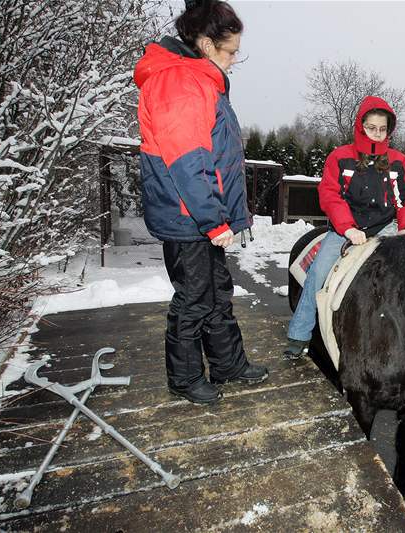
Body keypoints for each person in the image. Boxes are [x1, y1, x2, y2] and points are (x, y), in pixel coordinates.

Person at [134, 0, 267, 406]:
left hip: (203, 216)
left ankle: (227, 364)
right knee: (193, 298)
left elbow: (218, 156)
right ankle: (186, 378)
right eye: (230, 51)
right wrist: (213, 219)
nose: (234, 59)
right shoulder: (179, 82)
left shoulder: (200, 78)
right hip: (186, 215)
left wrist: (222, 216)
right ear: (207, 44)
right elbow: (188, 162)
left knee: (217, 291)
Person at [284, 96, 405, 358]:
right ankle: (299, 334)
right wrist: (347, 228)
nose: (377, 134)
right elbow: (331, 195)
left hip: (384, 229)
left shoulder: (398, 161)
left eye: (382, 129)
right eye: (371, 127)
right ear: (360, 126)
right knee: (318, 274)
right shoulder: (340, 157)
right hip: (345, 229)